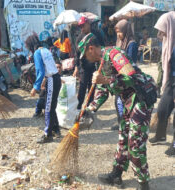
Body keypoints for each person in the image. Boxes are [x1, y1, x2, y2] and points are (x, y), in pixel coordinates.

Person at [79, 33, 156, 190]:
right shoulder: (100, 63)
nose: (85, 58)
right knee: (123, 138)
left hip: (140, 97)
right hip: (128, 101)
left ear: (91, 49)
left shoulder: (115, 54)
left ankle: (143, 184)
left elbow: (131, 76)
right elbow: (102, 91)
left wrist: (107, 80)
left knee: (135, 142)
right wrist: (90, 109)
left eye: (85, 54)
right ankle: (116, 175)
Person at [26, 34, 61, 143]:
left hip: (51, 80)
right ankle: (56, 129)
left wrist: (35, 88)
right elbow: (49, 68)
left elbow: (40, 72)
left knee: (48, 108)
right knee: (51, 105)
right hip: (56, 78)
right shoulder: (45, 50)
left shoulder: (37, 53)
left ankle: (47, 134)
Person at [149, 11, 175, 156]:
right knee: (162, 109)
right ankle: (161, 135)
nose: (160, 34)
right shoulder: (170, 42)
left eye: (163, 30)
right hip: (171, 81)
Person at [111, 19, 139, 131]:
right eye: (117, 32)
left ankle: (126, 124)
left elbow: (130, 61)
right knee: (118, 101)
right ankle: (120, 122)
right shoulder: (119, 42)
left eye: (120, 32)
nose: (118, 34)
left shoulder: (132, 44)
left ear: (126, 31)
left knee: (126, 101)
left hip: (128, 77)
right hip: (119, 75)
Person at [73, 16, 104, 110]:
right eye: (80, 26)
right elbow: (77, 54)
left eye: (83, 26)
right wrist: (76, 67)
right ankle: (78, 108)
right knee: (82, 87)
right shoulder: (79, 38)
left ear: (88, 24)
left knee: (92, 87)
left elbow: (102, 48)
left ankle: (88, 107)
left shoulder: (97, 34)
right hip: (84, 66)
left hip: (95, 66)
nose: (82, 28)